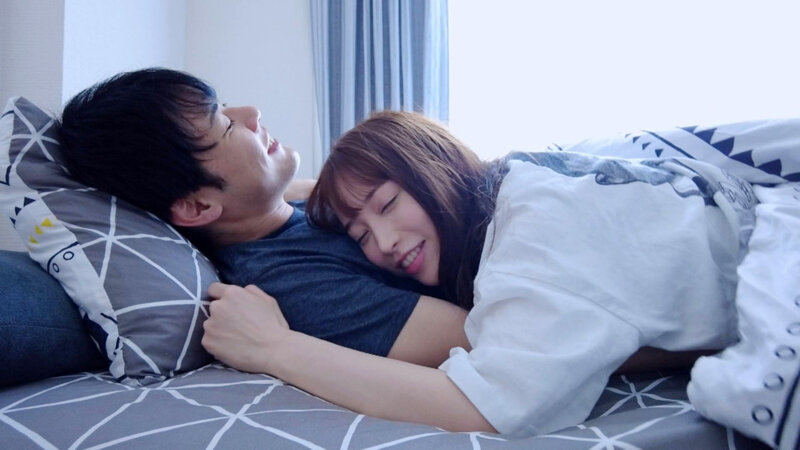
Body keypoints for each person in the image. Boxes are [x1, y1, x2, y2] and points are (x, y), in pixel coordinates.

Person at [201, 110, 768, 435]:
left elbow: (485, 407)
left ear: (429, 165)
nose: (385, 243)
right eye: (362, 235)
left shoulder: (529, 235)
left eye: (389, 203)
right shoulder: (508, 191)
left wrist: (274, 347)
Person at [57, 68, 471, 369]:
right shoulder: (290, 280)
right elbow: (474, 334)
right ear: (197, 207)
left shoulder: (289, 211)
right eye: (225, 125)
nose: (252, 113)